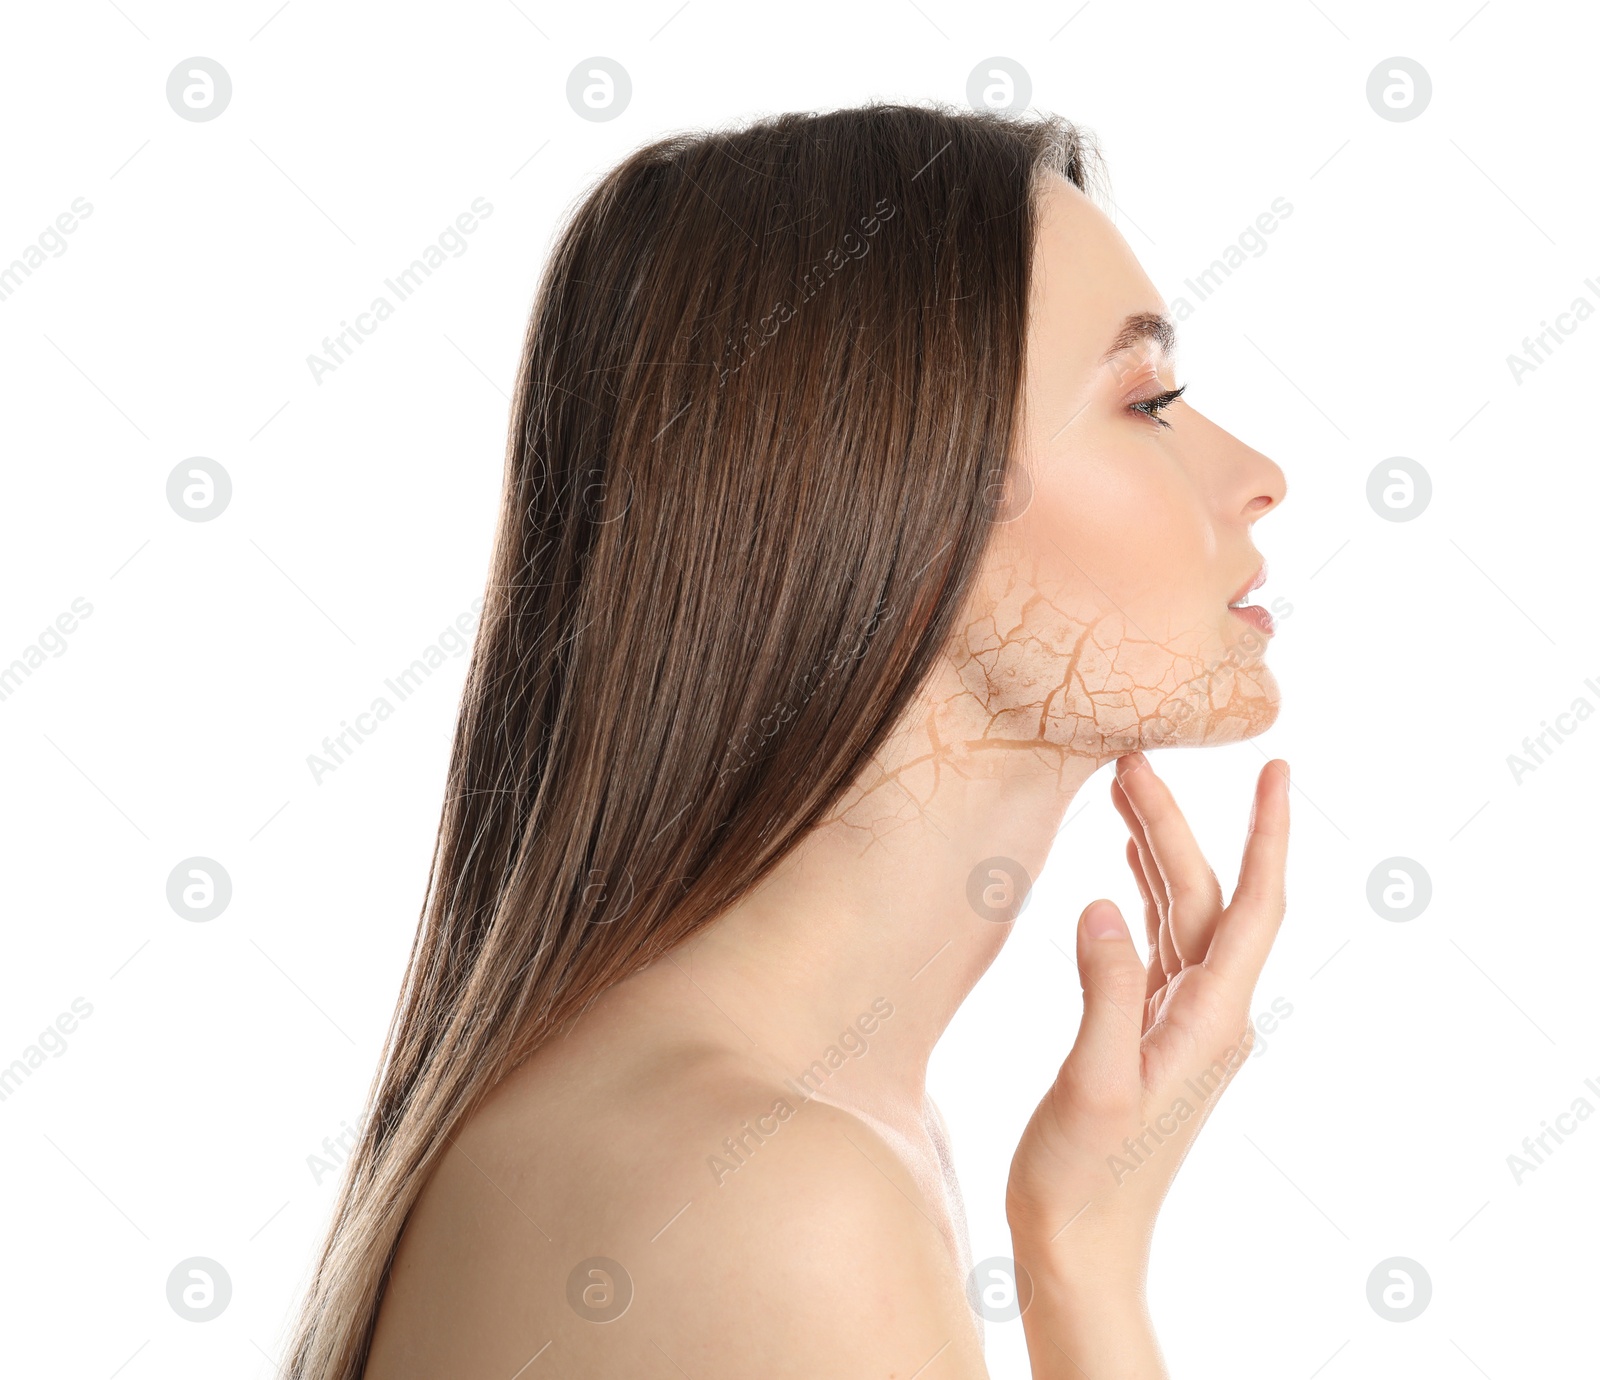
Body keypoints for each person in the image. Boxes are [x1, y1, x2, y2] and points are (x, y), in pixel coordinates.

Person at [282, 100, 1291, 1379]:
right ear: (888, 495)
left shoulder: (800, 1135)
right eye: (1148, 401)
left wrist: (1078, 1256)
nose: (1258, 473)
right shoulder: (775, 1202)